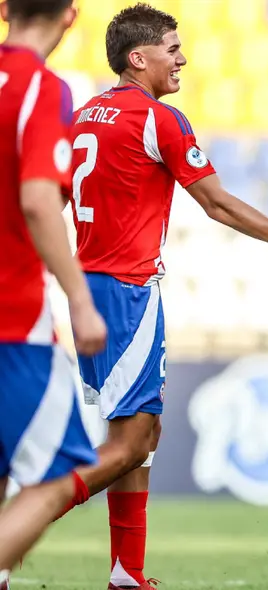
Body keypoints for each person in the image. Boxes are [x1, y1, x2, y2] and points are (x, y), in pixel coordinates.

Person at [60, 4, 268, 589]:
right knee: (136, 436)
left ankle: (127, 571)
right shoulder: (160, 119)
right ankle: (29, 513)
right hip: (126, 291)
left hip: (88, 286)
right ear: (137, 58)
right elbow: (216, 203)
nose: (183, 59)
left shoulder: (83, 117)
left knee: (137, 433)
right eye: (172, 49)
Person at [0, 0, 106, 587]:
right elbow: (40, 200)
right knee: (58, 477)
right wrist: (80, 299)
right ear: (70, 16)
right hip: (12, 323)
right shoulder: (41, 88)